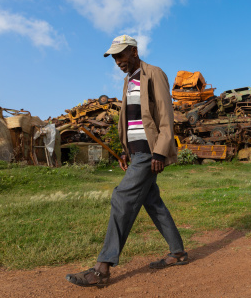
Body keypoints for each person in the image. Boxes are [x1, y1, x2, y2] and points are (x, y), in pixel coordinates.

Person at [66, 35, 187, 287]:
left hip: (149, 151)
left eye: (121, 55)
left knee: (121, 197)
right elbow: (130, 121)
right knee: (152, 202)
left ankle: (102, 268)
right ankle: (178, 252)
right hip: (136, 152)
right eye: (114, 58)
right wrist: (125, 151)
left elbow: (166, 115)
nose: (118, 61)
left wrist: (160, 152)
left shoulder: (154, 73)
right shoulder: (128, 80)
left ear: (134, 51)